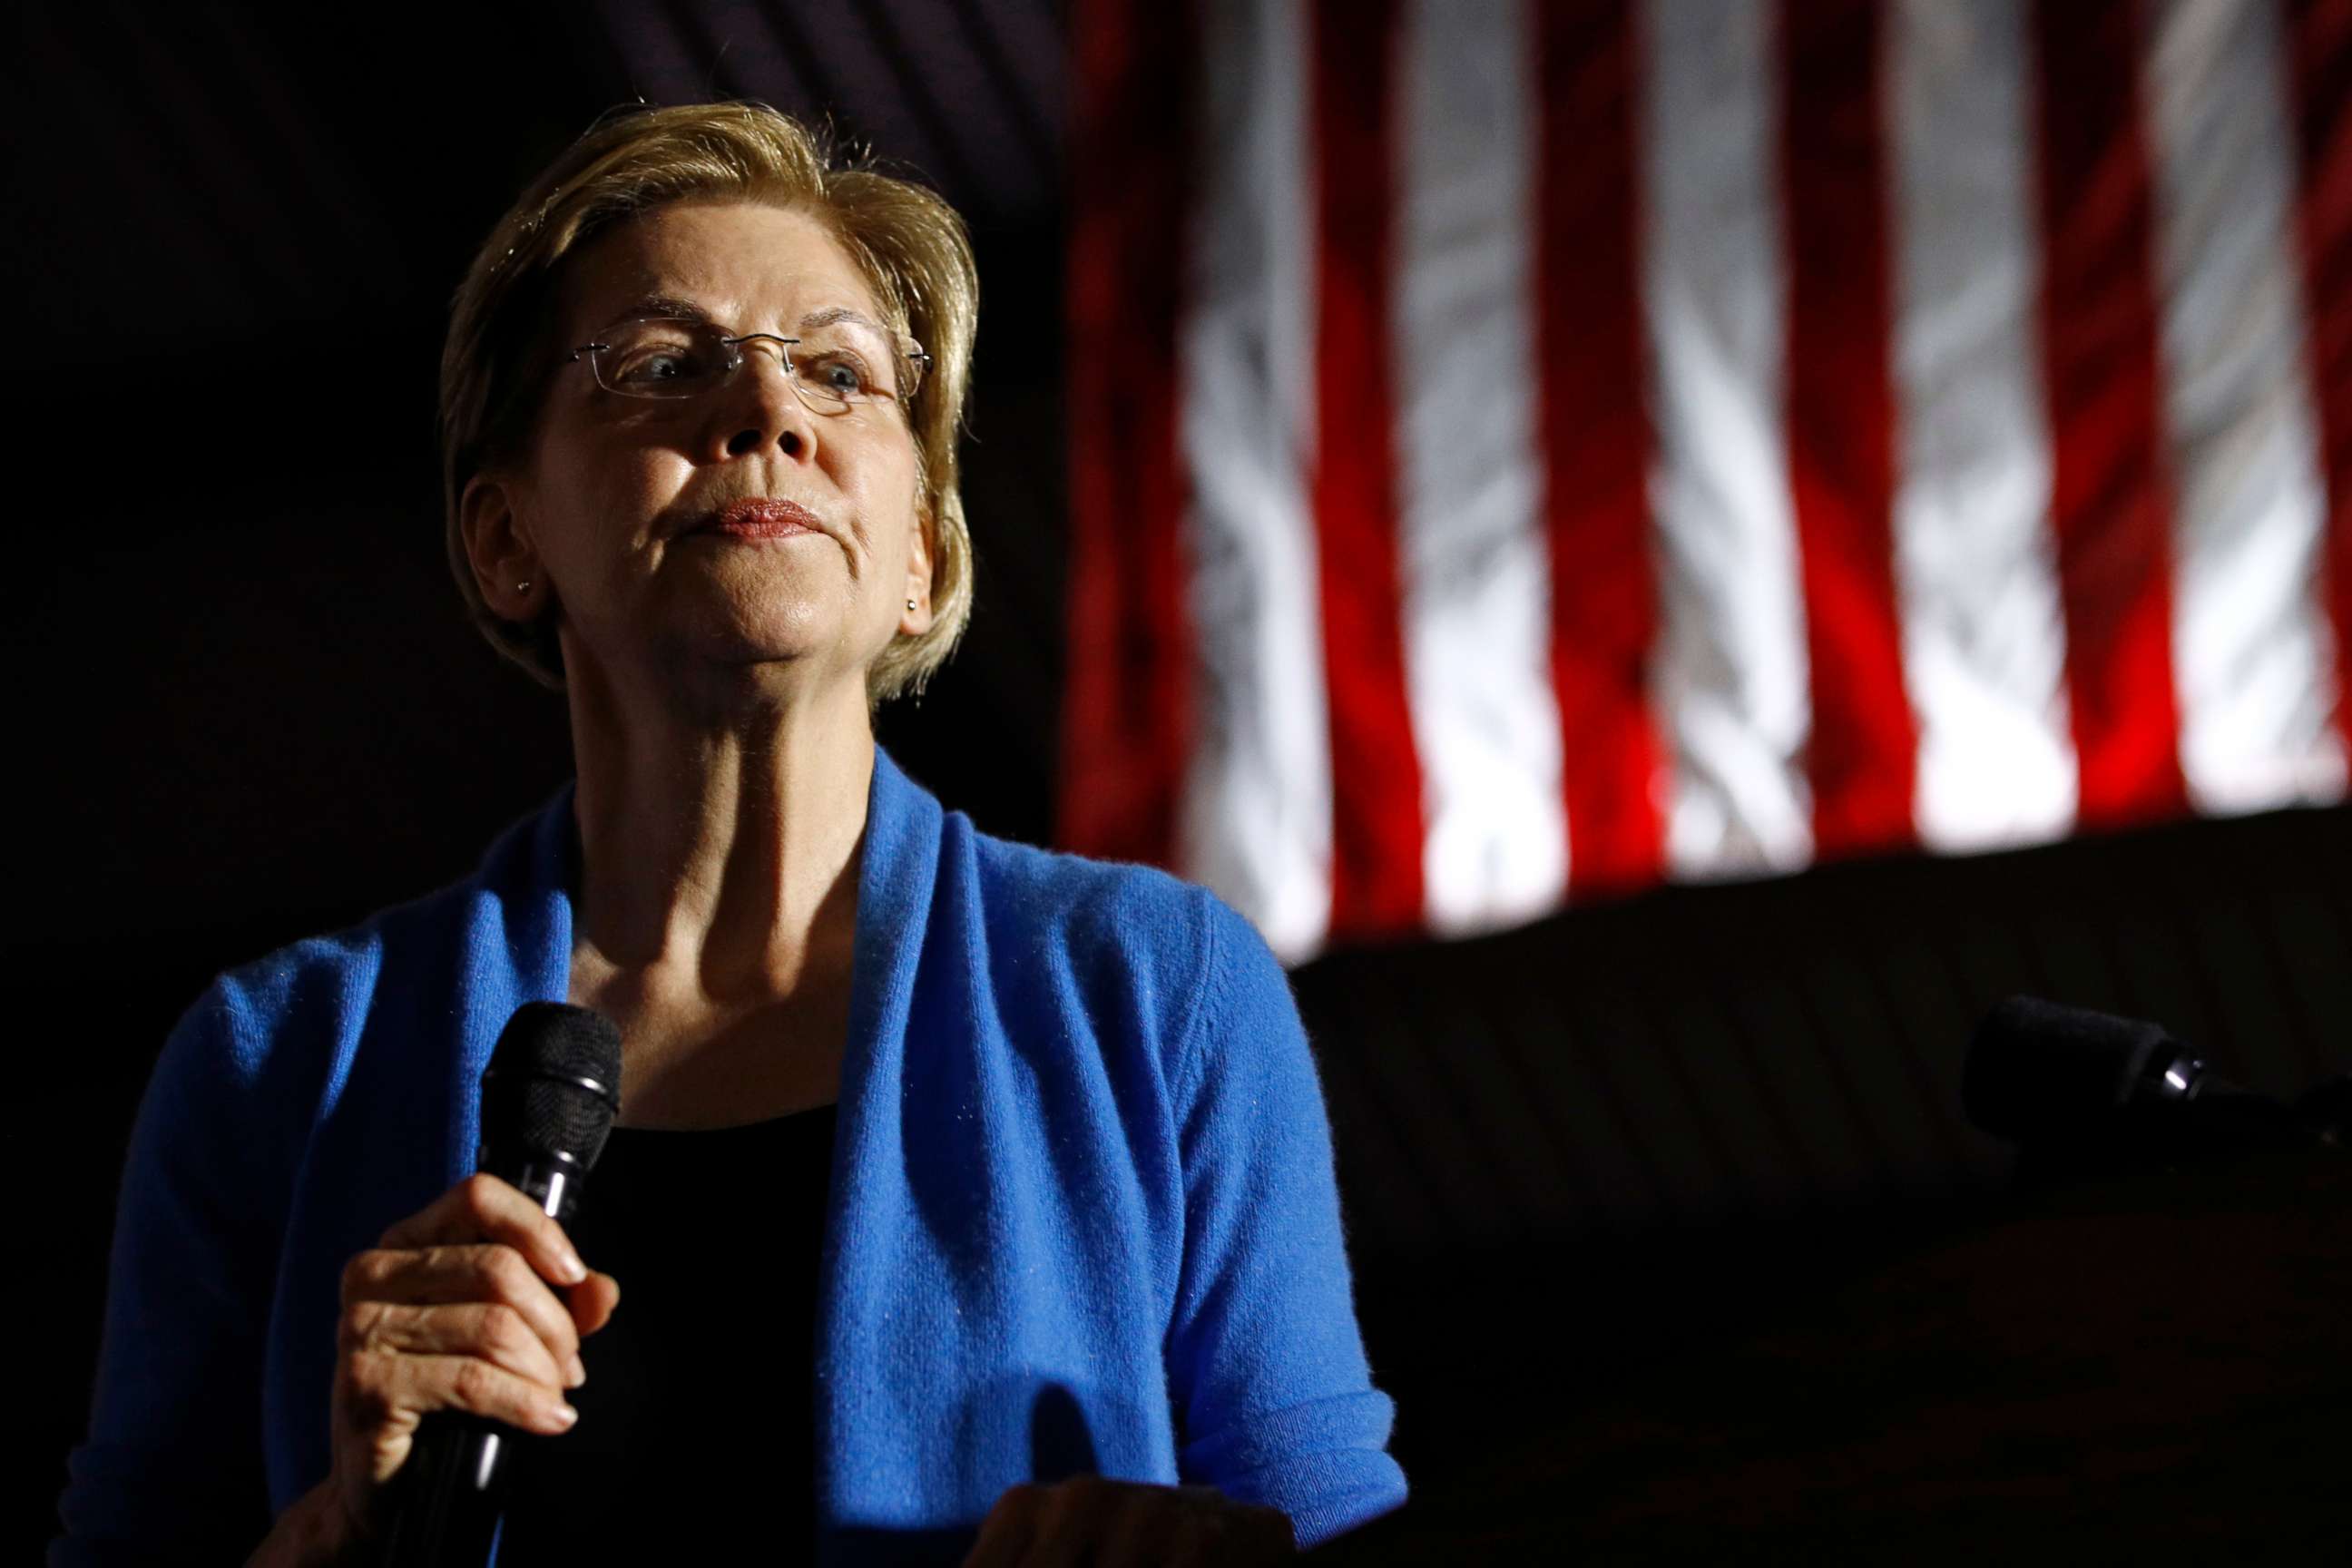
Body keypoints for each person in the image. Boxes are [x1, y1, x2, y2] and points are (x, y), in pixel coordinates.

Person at [50, 101, 1406, 1565]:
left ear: (922, 555)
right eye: (660, 365)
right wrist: (331, 1535)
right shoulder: (276, 1065)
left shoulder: (1159, 991)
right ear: (508, 538)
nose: (769, 416)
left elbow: (1330, 1532)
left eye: (837, 371)